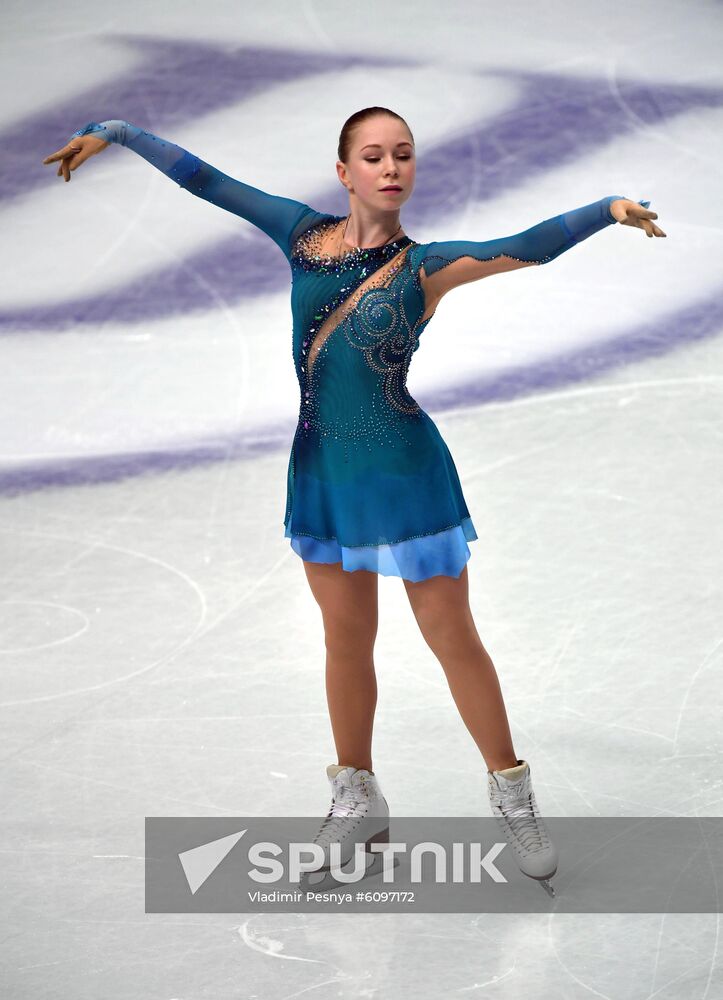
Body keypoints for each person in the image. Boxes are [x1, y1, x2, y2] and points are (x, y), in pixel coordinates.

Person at [43, 107, 665, 896]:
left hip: (404, 473)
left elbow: (527, 246)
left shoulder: (425, 267)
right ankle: (356, 798)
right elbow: (208, 182)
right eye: (373, 156)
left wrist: (607, 209)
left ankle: (511, 790)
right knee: (344, 638)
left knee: (450, 635)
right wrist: (118, 132)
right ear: (344, 172)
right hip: (323, 471)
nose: (390, 167)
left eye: (402, 154)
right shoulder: (300, 235)